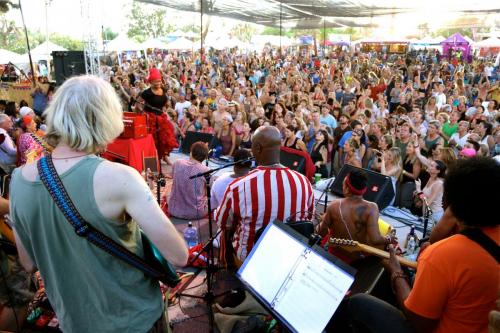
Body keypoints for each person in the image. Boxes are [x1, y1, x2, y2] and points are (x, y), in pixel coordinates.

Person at [10, 76, 188, 332]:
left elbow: (28, 263)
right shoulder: (120, 177)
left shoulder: (17, 180)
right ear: (105, 119)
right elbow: (178, 255)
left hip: (74, 322)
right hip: (134, 320)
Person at [349, 157, 500, 333]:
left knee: (359, 302)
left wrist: (396, 271)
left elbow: (418, 322)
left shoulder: (444, 254)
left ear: (450, 206)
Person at [215, 126, 315, 265]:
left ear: (257, 148)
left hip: (251, 262)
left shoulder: (239, 186)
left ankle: (227, 269)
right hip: (289, 259)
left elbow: (223, 223)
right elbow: (308, 220)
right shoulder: (304, 182)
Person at [316, 169, 389, 262]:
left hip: (334, 257)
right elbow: (375, 239)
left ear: (347, 188)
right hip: (357, 261)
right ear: (364, 189)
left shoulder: (334, 205)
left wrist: (321, 221)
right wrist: (388, 239)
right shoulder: (372, 208)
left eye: (343, 184)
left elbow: (321, 233)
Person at [140, 68, 179, 165]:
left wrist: (166, 110)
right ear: (151, 82)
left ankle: (164, 157)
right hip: (150, 118)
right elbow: (138, 104)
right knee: (153, 139)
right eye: (156, 81)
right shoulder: (146, 93)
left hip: (161, 117)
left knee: (164, 138)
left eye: (159, 81)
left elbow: (165, 103)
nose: (158, 83)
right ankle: (153, 159)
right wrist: (143, 112)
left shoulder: (163, 90)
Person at [168, 141, 210, 220]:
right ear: (205, 157)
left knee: (168, 191)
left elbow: (173, 177)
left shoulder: (177, 163)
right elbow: (209, 191)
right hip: (196, 213)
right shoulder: (206, 170)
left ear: (191, 152)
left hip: (174, 211)